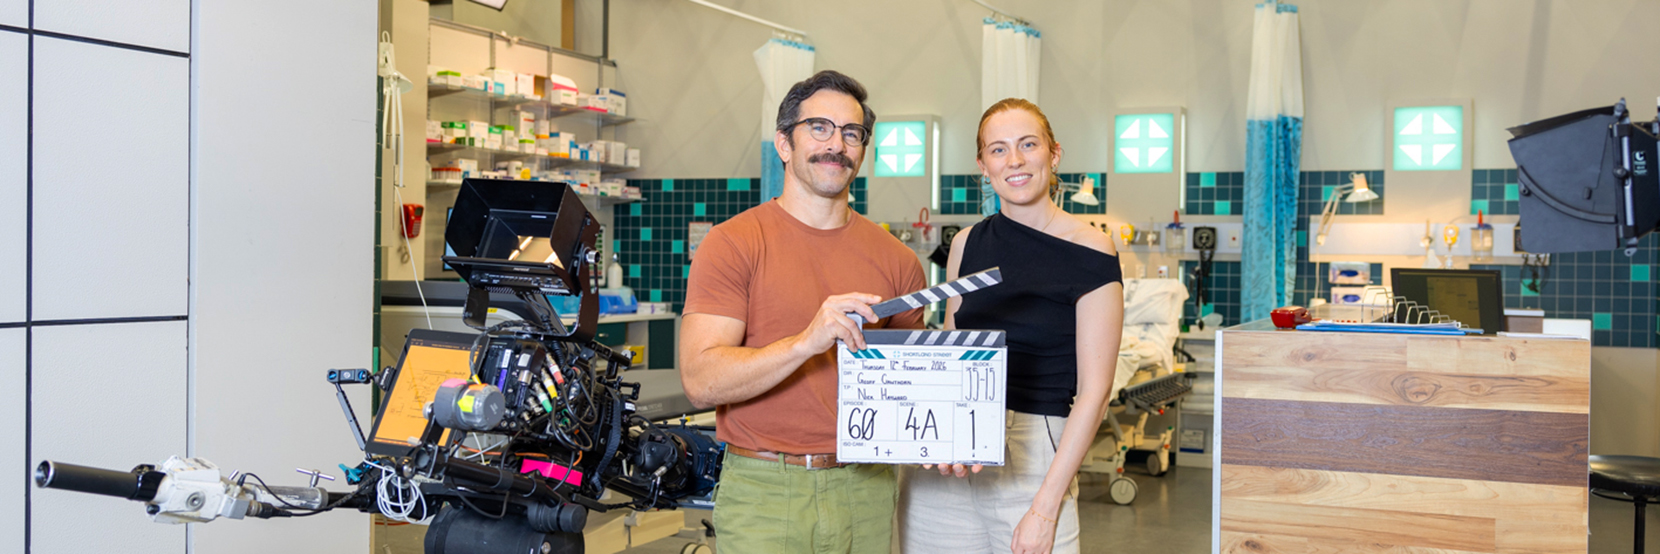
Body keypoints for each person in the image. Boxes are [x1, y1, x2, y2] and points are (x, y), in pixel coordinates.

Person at [679, 70, 927, 554]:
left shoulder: (899, 260)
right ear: (783, 143)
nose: (836, 144)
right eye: (819, 127)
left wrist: (950, 444)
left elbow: (913, 394)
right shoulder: (733, 244)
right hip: (764, 488)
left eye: (851, 133)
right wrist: (806, 342)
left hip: (868, 488)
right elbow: (701, 381)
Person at [898, 98, 1124, 554]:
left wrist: (1045, 507)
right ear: (983, 165)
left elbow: (1095, 393)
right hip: (951, 461)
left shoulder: (1093, 249)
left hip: (1035, 453)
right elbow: (951, 353)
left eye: (1028, 144)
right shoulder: (966, 243)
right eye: (998, 150)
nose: (1014, 160)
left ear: (1053, 154)